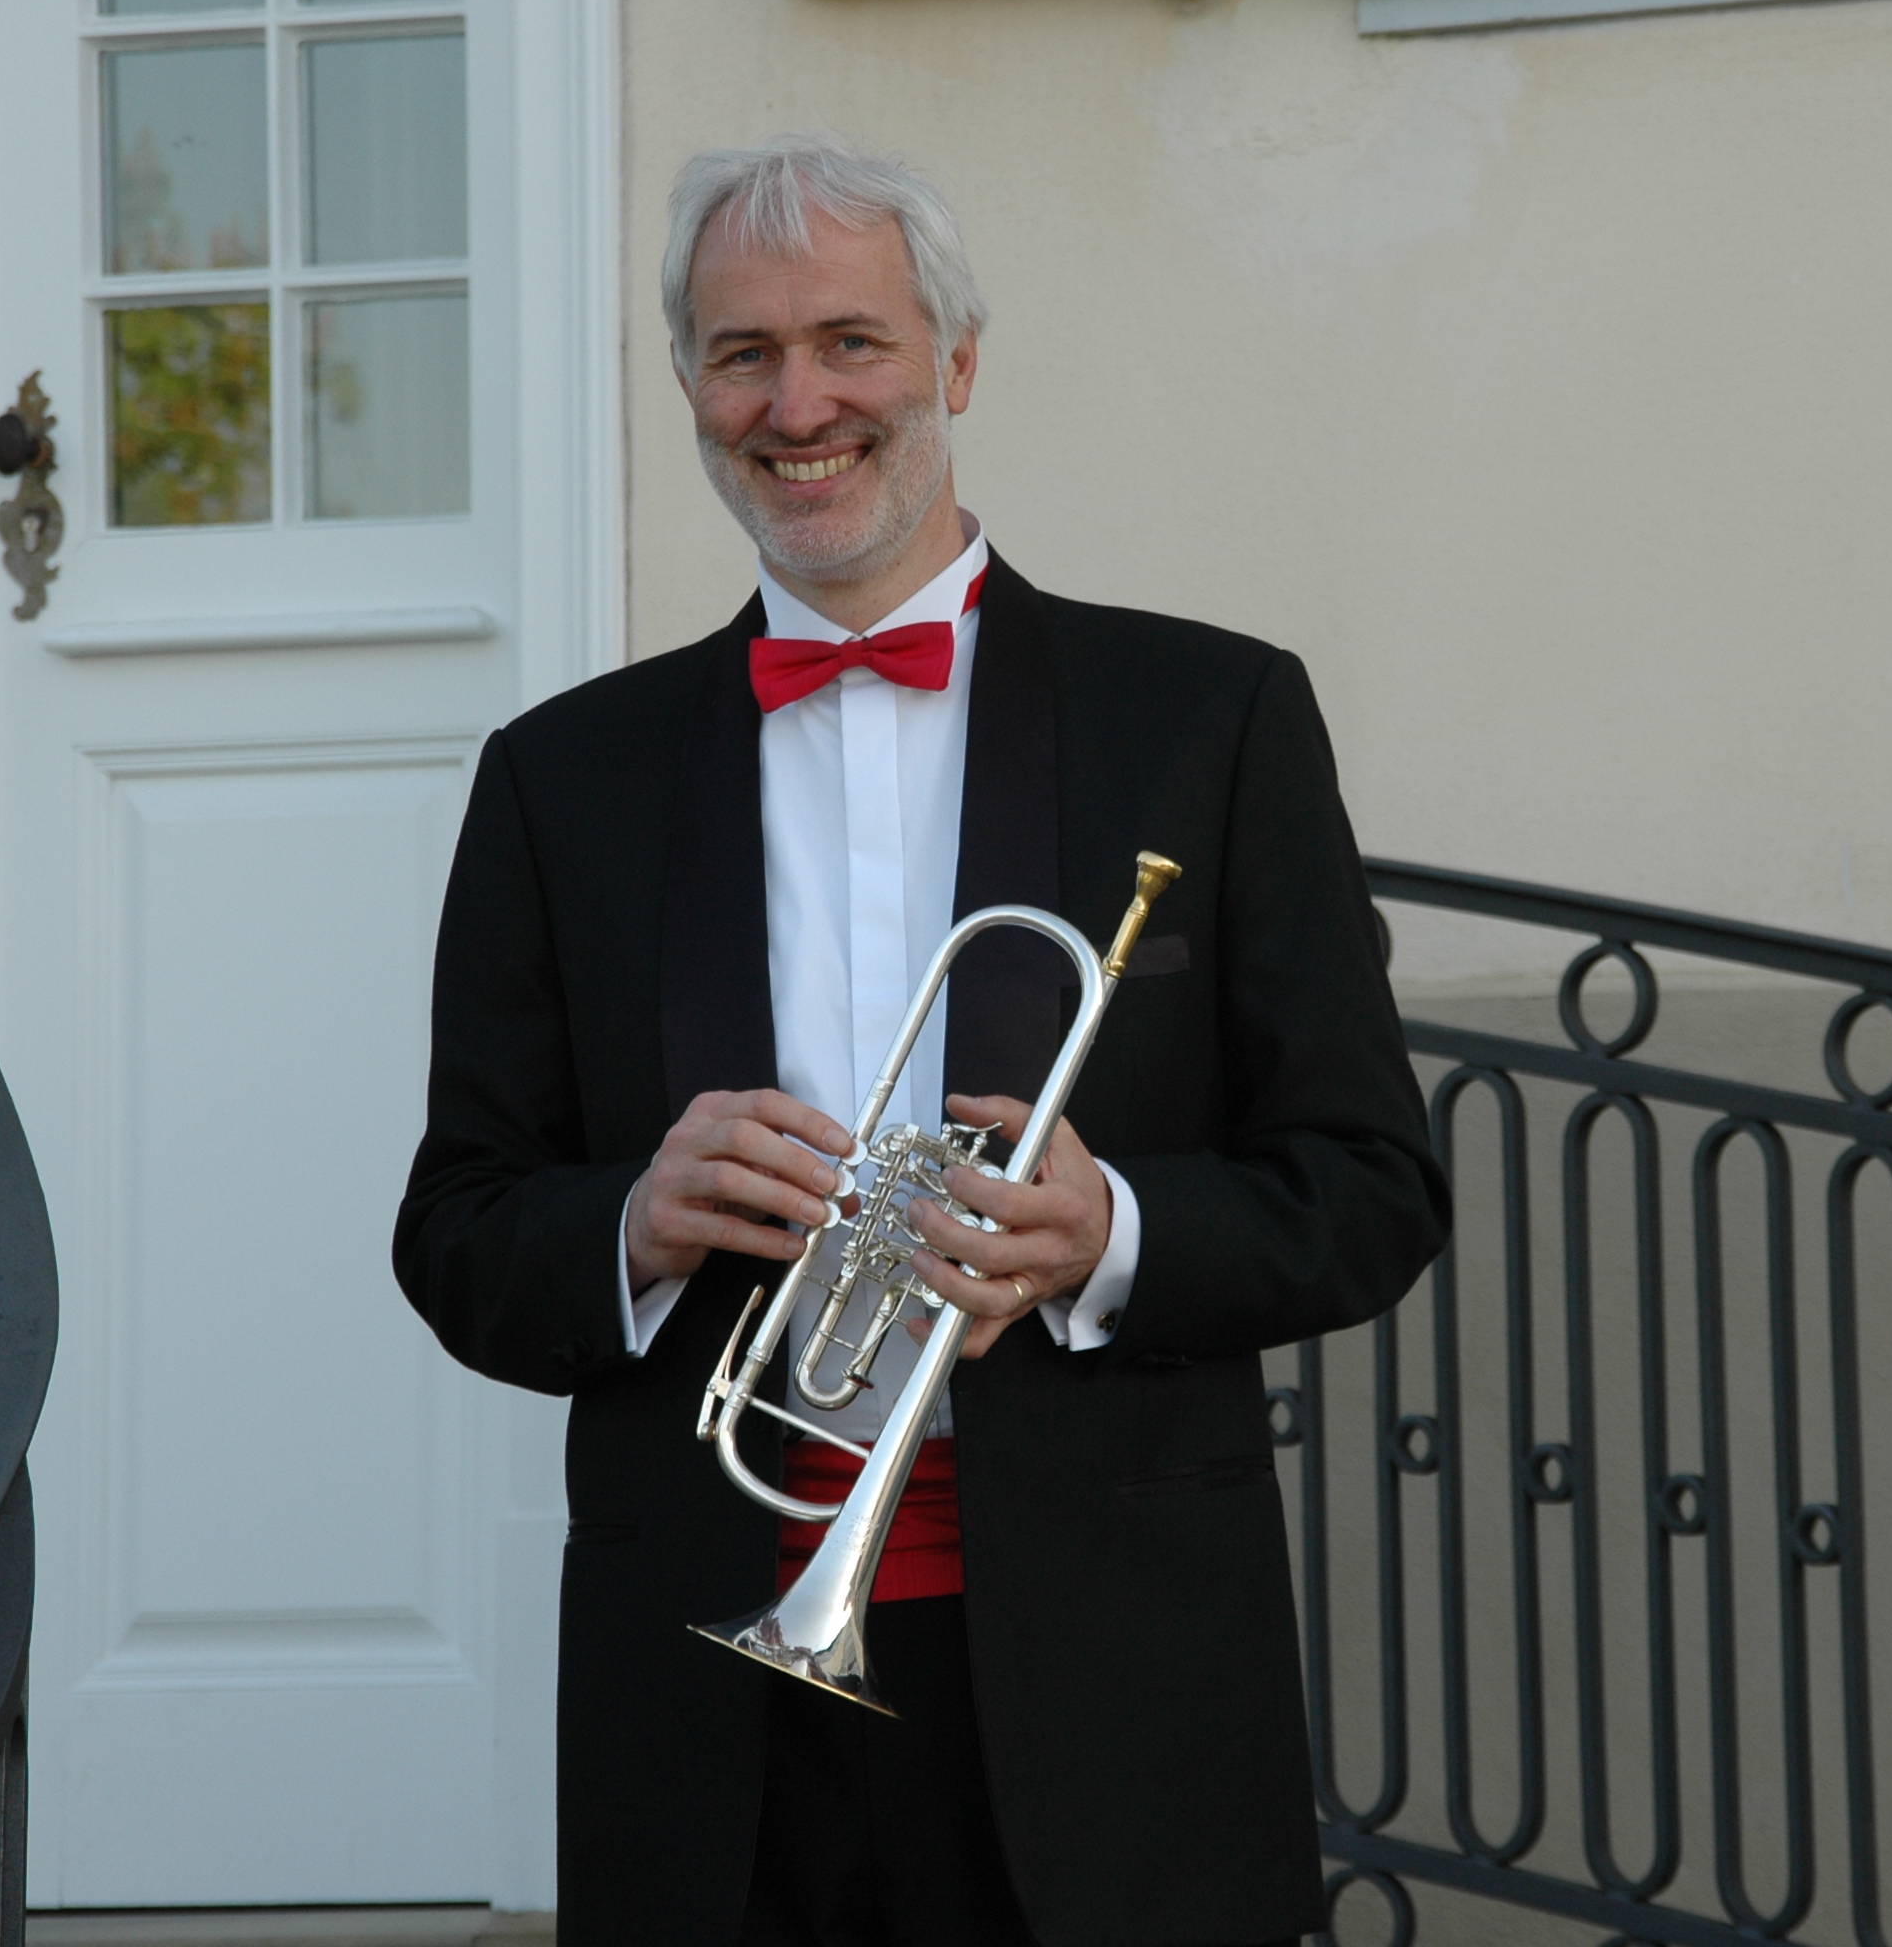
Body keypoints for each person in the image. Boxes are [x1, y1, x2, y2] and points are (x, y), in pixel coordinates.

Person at [393, 133, 1445, 1947]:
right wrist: (633, 1226)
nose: (797, 402)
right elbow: (459, 1231)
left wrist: (1111, 1235)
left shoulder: (1214, 715)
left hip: (1105, 1669)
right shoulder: (562, 780)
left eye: (852, 343)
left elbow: (1367, 1187)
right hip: (707, 1681)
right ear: (689, 389)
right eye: (742, 354)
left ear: (955, 364)